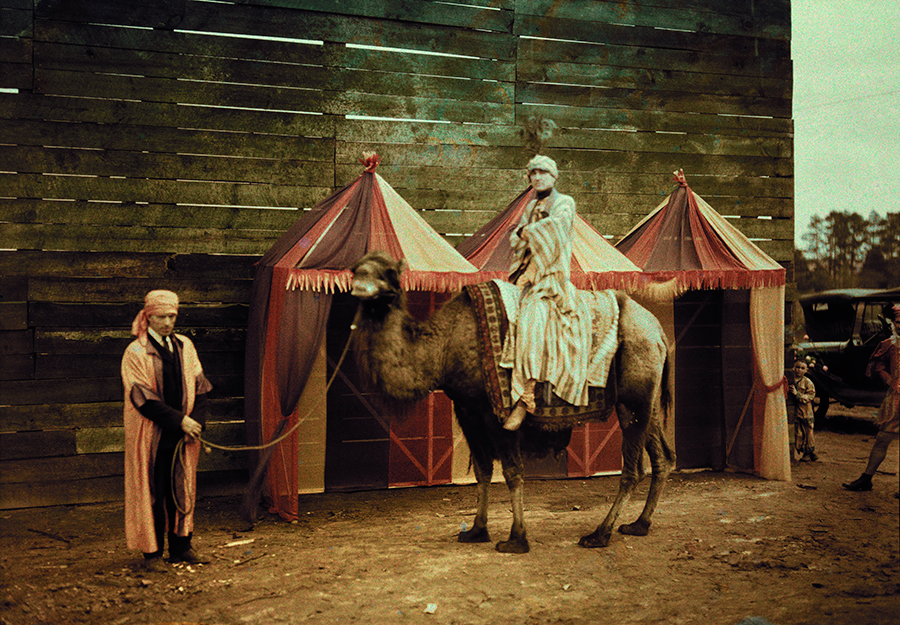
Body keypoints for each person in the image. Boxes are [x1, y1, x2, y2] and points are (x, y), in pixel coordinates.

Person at [122, 290, 213, 571]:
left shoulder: (185, 346)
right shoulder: (135, 351)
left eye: (172, 316)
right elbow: (142, 398)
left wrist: (194, 425)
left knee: (181, 490)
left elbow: (201, 387)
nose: (167, 322)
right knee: (154, 492)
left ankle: (181, 547)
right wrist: (179, 420)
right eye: (161, 316)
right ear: (148, 316)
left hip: (182, 436)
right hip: (152, 436)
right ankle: (152, 555)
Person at [500, 155, 592, 430]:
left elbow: (556, 231)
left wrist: (528, 233)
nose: (537, 177)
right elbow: (514, 237)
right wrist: (525, 233)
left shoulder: (565, 202)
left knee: (533, 317)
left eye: (542, 173)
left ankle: (526, 396)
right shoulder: (530, 205)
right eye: (533, 173)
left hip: (551, 278)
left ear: (553, 176)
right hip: (523, 275)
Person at [843, 304, 900, 492]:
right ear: (893, 323)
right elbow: (878, 365)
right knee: (882, 439)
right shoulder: (890, 344)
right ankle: (866, 479)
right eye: (898, 322)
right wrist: (889, 379)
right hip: (896, 400)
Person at [787, 359, 818, 461]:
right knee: (799, 432)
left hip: (806, 411)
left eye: (802, 368)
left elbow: (811, 395)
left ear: (806, 370)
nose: (799, 370)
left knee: (808, 431)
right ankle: (808, 451)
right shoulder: (791, 380)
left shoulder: (807, 382)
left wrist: (798, 394)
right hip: (797, 412)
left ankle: (808, 452)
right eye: (797, 367)